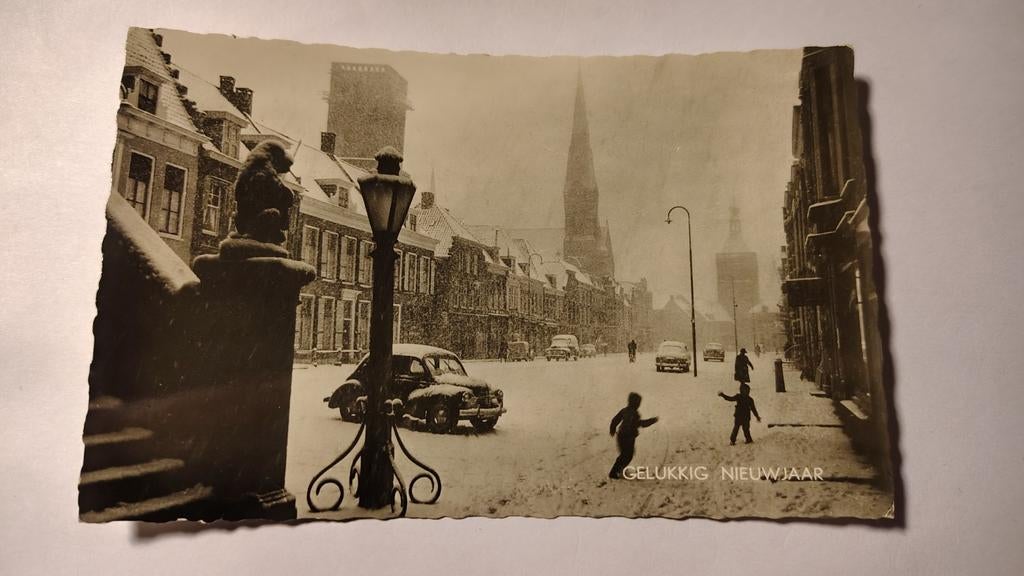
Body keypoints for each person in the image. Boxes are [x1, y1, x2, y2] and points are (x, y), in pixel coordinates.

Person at [608, 392, 658, 479]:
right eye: (638, 403)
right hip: (628, 437)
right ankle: (615, 472)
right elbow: (641, 424)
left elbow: (615, 420)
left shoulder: (625, 410)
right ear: (635, 403)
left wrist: (612, 428)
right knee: (627, 455)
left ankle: (619, 470)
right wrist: (652, 421)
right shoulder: (635, 414)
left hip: (621, 435)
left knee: (625, 454)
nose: (638, 405)